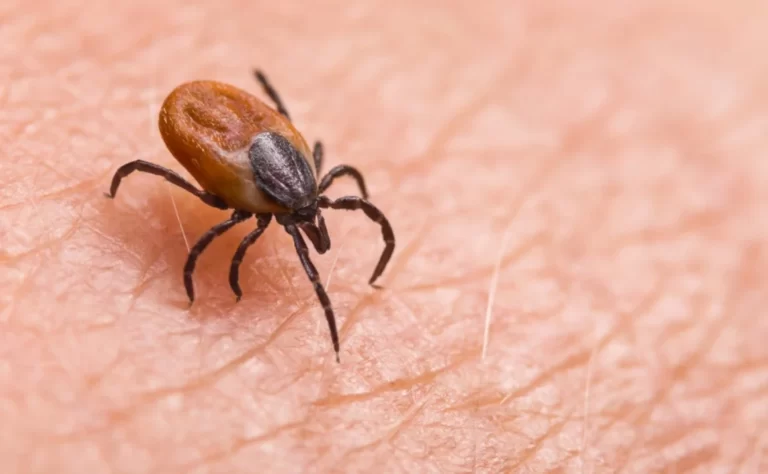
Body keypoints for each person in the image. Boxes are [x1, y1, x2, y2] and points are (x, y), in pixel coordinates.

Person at [2, 1, 764, 472]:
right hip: (251, 155)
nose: (315, 226)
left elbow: (306, 210)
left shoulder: (300, 195)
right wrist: (219, 271)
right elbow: (241, 235)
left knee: (240, 223)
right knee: (198, 210)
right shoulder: (297, 194)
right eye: (310, 218)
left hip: (266, 156)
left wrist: (245, 256)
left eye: (316, 214)